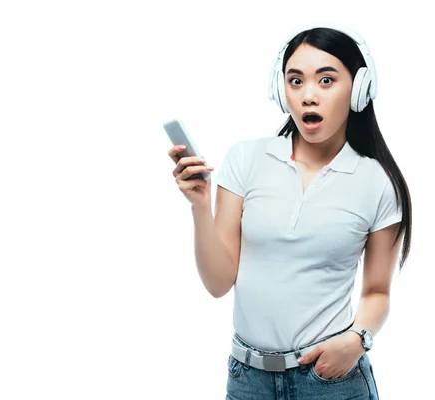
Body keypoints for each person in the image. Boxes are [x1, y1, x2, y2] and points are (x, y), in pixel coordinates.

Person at [167, 22, 412, 400]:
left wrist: (357, 341)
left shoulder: (377, 182)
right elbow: (218, 283)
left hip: (331, 380)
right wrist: (200, 205)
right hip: (248, 380)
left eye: (326, 80)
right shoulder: (246, 160)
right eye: (295, 81)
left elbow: (377, 292)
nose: (308, 96)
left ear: (359, 89)